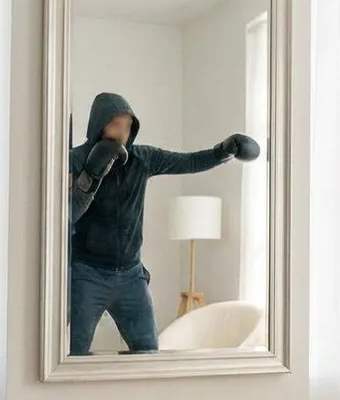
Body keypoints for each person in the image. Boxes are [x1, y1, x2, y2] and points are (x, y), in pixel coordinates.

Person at [68, 91, 260, 356]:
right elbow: (65, 216)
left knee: (148, 352)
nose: (122, 133)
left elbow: (188, 161)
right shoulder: (75, 159)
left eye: (127, 126)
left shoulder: (142, 159)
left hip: (130, 276)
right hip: (87, 272)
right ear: (98, 124)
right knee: (72, 355)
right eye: (115, 124)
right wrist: (90, 175)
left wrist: (222, 152)